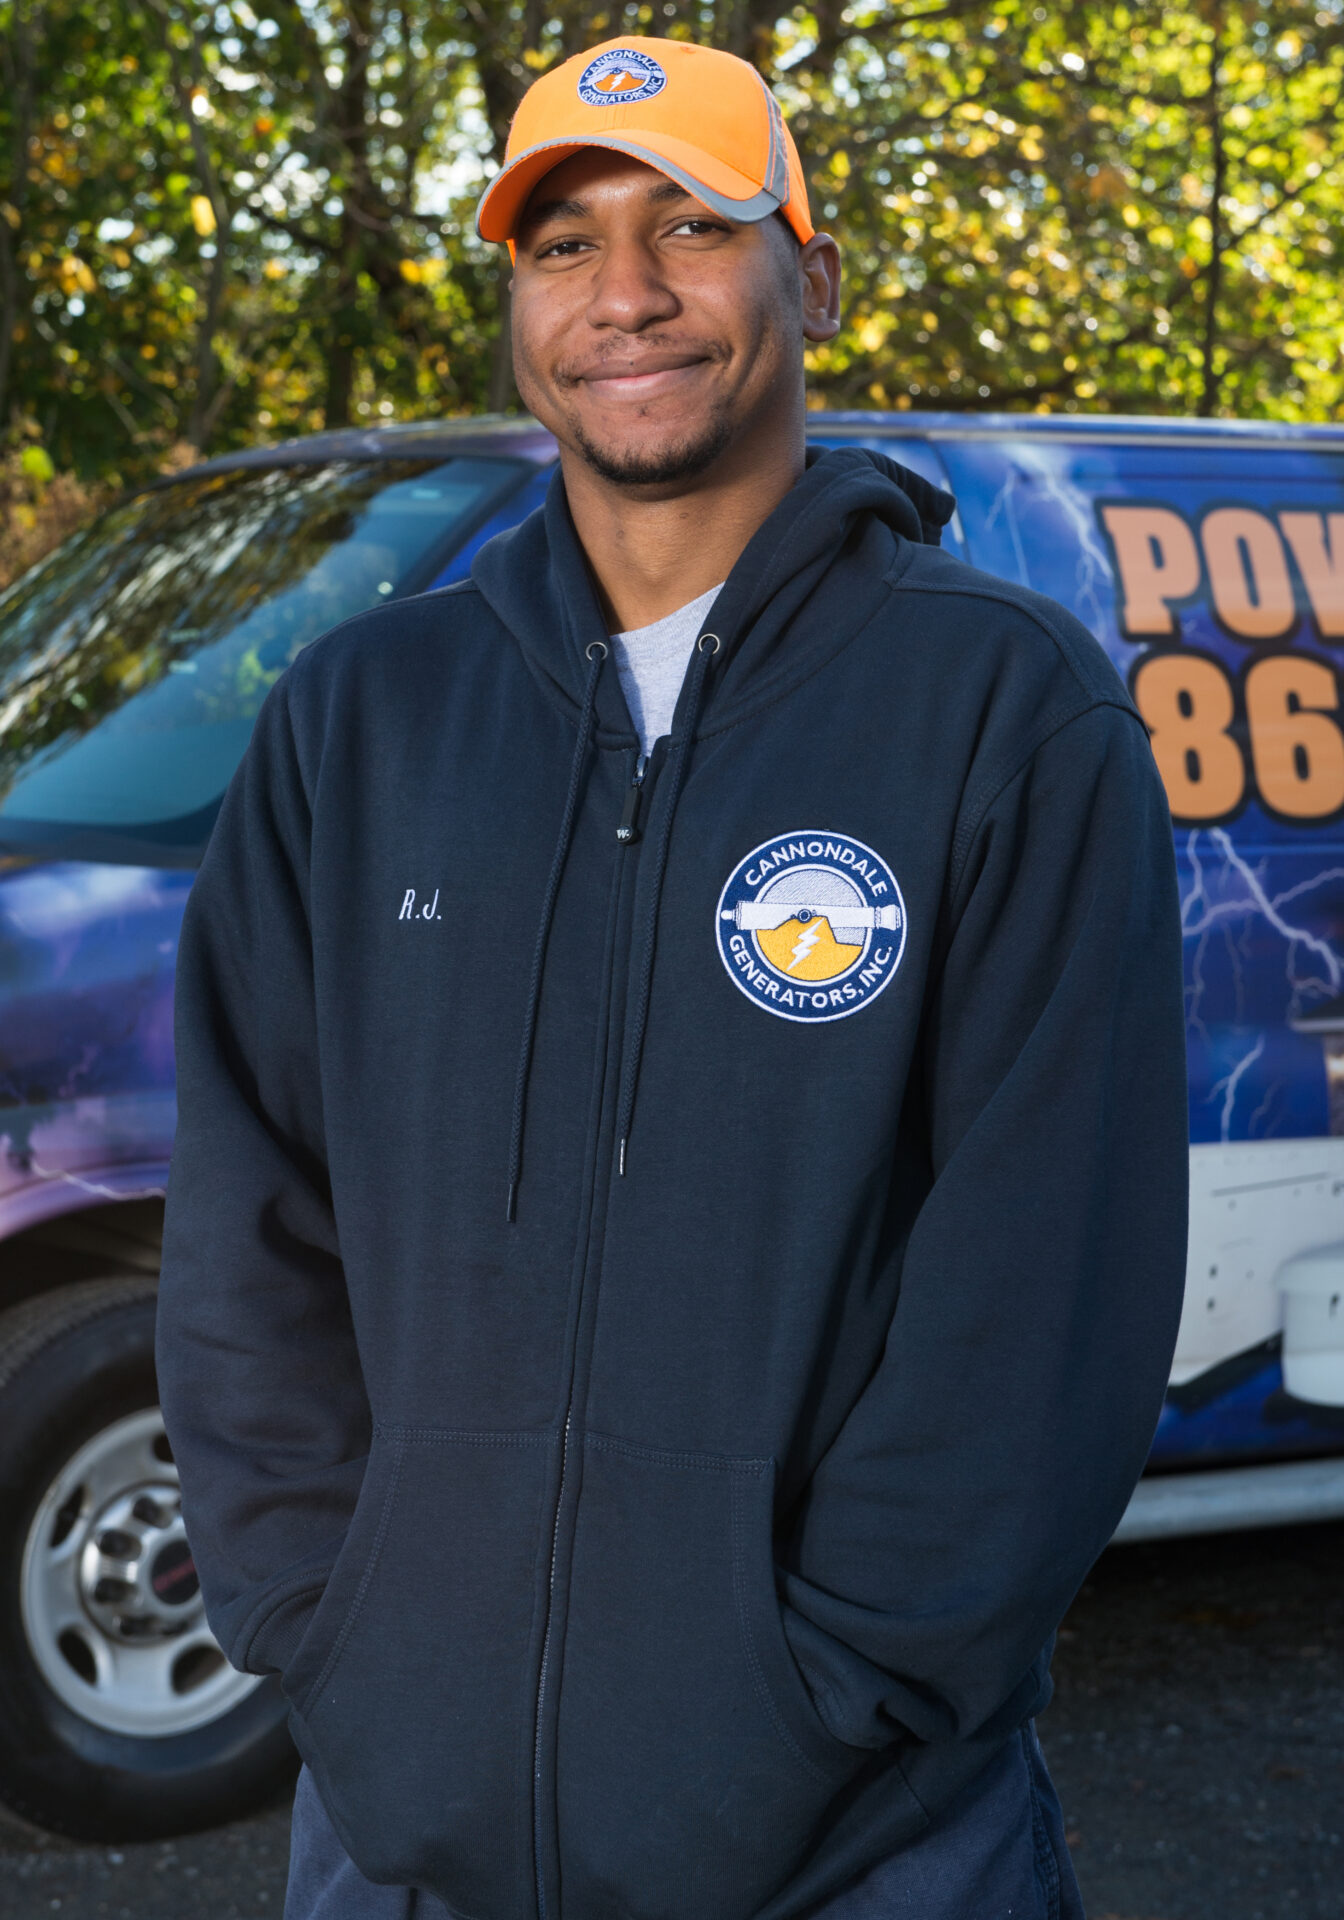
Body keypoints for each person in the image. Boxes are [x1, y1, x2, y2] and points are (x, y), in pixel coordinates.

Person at [155, 33, 1189, 1920]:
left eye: (693, 226)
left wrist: (827, 1702)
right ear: (516, 303)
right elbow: (248, 1240)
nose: (623, 295)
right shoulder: (360, 725)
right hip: (400, 1846)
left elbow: (1042, 1297)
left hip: (868, 1847)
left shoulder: (1001, 715)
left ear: (815, 270)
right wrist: (333, 1640)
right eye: (561, 245)